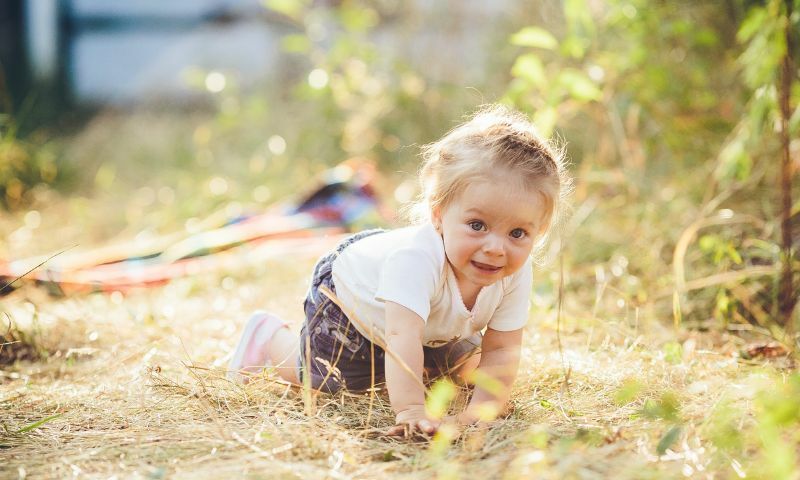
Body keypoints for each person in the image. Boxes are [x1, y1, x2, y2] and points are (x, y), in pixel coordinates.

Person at [227, 104, 570, 437]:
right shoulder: (416, 260)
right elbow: (400, 338)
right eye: (477, 225)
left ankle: (429, 362)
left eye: (517, 233)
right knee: (331, 379)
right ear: (438, 214)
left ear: (537, 232)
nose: (496, 248)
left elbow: (502, 350)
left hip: (427, 323)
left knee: (462, 371)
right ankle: (270, 338)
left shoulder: (512, 270)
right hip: (351, 301)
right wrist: (411, 411)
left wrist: (480, 413)